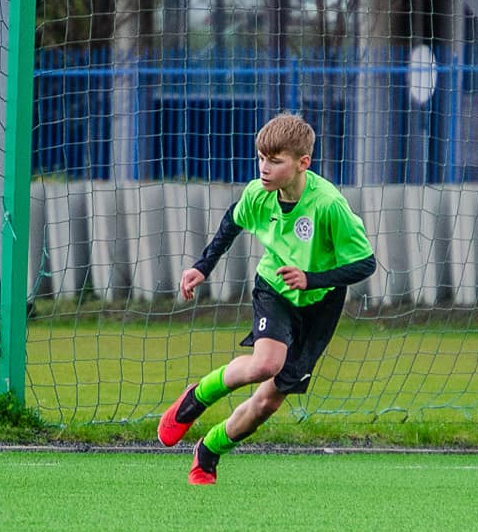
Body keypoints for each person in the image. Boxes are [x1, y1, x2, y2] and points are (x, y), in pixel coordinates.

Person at [157, 112, 375, 485]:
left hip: (320, 303)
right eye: (261, 158)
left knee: (268, 401)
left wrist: (312, 278)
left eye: (275, 161)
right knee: (264, 364)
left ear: (302, 163)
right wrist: (202, 267)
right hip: (274, 288)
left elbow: (365, 263)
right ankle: (196, 398)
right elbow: (232, 221)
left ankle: (208, 452)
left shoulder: (328, 205)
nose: (264, 168)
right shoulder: (258, 193)